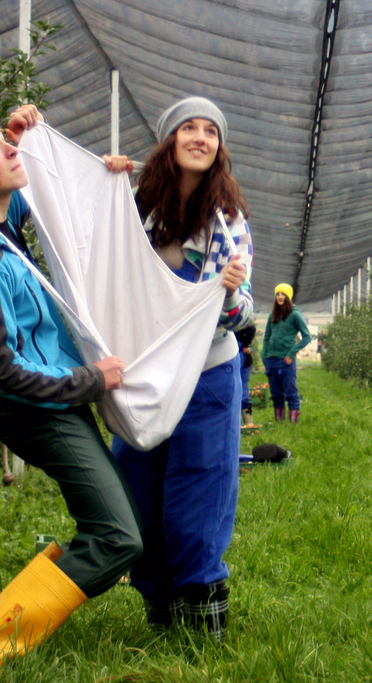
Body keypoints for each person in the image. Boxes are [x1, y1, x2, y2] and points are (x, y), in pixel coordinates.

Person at [0, 107, 141, 664]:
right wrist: (90, 380)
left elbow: (52, 198)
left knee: (112, 527)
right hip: (32, 409)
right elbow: (3, 369)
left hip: (52, 399)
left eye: (3, 142)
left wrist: (98, 173)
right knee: (118, 538)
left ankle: (12, 622)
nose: (9, 152)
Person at [102, 97, 253, 638]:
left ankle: (204, 612)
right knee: (139, 485)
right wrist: (107, 181)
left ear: (218, 148)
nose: (200, 137)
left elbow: (241, 316)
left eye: (210, 131)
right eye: (188, 127)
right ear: (169, 141)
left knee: (202, 483)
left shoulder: (228, 224)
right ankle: (158, 606)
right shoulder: (135, 209)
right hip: (144, 371)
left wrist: (231, 293)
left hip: (207, 372)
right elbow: (103, 261)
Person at [262, 284, 312, 422]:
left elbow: (307, 336)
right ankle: (280, 422)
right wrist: (264, 356)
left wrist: (291, 353)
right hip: (271, 359)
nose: (279, 297)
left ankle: (293, 423)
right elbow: (266, 338)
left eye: (283, 294)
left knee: (290, 392)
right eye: (277, 294)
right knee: (276, 393)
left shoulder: (295, 315)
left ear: (288, 297)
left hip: (285, 360)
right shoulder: (273, 316)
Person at [236, 322, 258, 429]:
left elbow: (251, 328)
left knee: (243, 390)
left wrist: (245, 344)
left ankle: (248, 422)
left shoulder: (240, 324)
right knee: (234, 391)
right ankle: (236, 422)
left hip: (243, 360)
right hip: (234, 360)